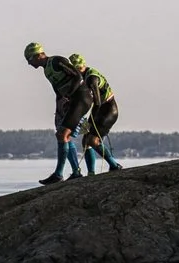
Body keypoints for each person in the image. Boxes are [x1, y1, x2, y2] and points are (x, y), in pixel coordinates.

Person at [23, 42, 90, 184]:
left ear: (38, 55)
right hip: (70, 102)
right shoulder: (46, 70)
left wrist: (69, 96)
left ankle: (59, 174)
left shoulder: (57, 61)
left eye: (29, 59)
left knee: (62, 134)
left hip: (81, 98)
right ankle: (76, 172)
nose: (29, 64)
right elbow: (58, 91)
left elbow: (78, 77)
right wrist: (59, 108)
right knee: (64, 135)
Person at [77, 55, 124, 174]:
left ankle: (114, 165)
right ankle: (91, 172)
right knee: (85, 141)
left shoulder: (91, 78)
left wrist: (90, 121)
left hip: (108, 110)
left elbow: (97, 103)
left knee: (92, 140)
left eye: (79, 68)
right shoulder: (84, 76)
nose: (77, 71)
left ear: (83, 66)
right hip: (100, 110)